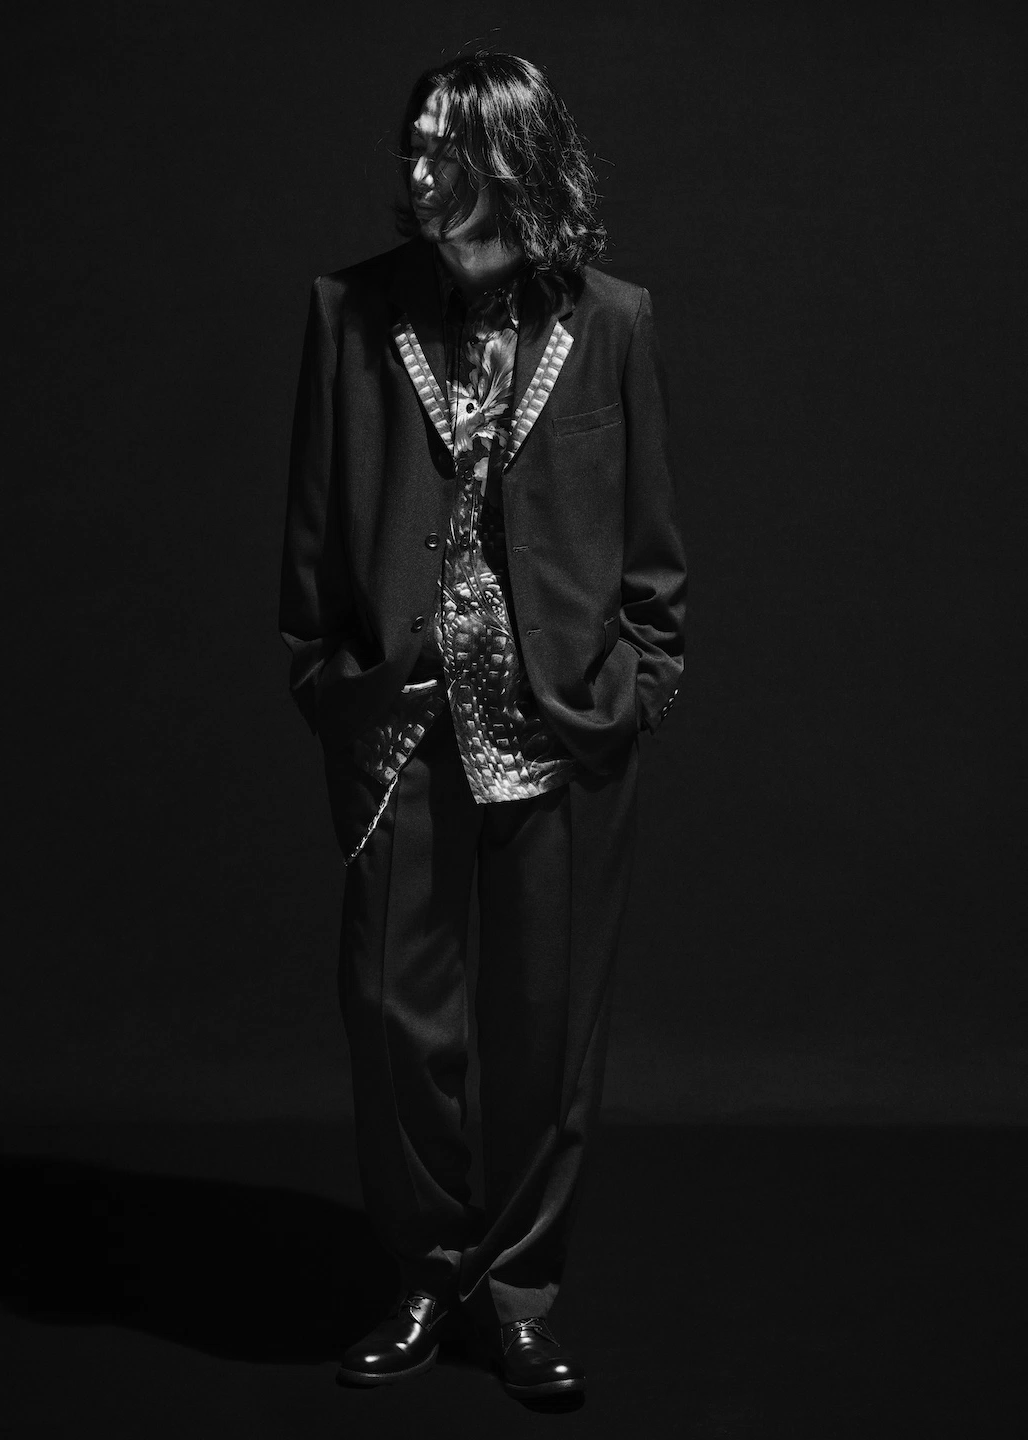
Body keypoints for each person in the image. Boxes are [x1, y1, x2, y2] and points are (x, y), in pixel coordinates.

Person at [279, 51, 686, 1403]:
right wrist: (330, 682)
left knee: (544, 1036)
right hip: (400, 727)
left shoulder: (612, 320)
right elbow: (310, 533)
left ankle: (518, 1294)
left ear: (512, 159)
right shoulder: (348, 310)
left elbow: (652, 547)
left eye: (444, 148)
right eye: (411, 143)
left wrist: (637, 687)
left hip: (566, 728)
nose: (415, 171)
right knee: (395, 1020)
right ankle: (426, 1269)